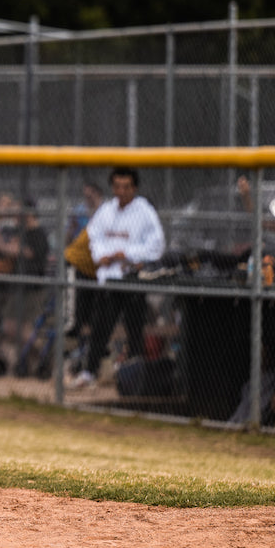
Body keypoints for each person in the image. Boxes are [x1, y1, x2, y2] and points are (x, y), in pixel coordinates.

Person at [71, 166, 165, 388]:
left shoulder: (144, 211)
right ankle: (89, 373)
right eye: (117, 186)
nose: (121, 191)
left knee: (135, 329)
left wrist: (129, 255)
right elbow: (95, 238)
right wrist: (102, 255)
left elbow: (156, 245)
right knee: (100, 327)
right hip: (110, 280)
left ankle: (134, 376)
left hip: (132, 279)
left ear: (135, 188)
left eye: (126, 187)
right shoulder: (107, 210)